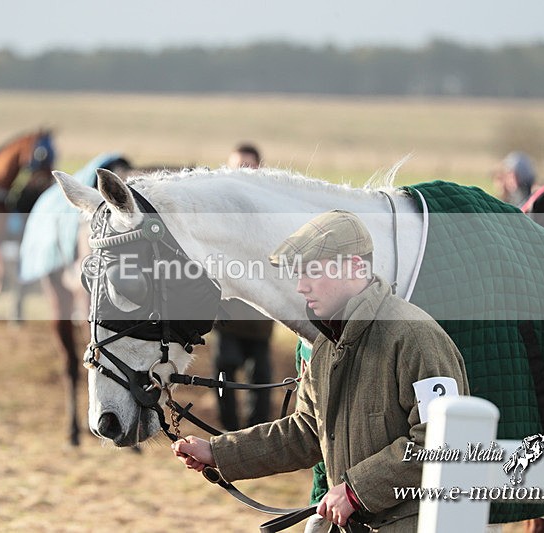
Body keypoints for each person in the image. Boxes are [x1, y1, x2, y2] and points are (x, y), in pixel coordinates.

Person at [173, 210, 470, 532]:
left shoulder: (414, 336)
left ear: (355, 267)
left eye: (312, 273)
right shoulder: (326, 347)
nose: (301, 287)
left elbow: (443, 440)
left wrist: (356, 492)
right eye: (299, 274)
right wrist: (218, 452)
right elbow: (306, 432)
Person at [211, 143, 275, 430]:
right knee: (224, 373)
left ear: (260, 169)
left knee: (261, 381)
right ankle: (228, 433)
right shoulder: (217, 211)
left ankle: (256, 436)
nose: (242, 172)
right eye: (236, 167)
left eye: (248, 167)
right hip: (227, 315)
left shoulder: (269, 210)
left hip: (261, 316)